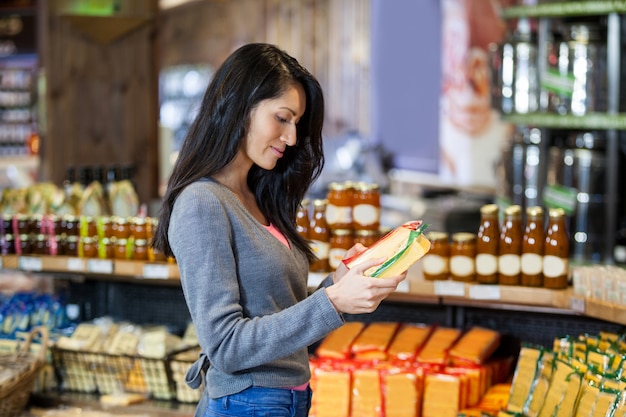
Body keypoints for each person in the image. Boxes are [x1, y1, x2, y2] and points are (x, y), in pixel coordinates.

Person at [151, 43, 407, 417]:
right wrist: (332, 302)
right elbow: (226, 345)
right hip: (245, 403)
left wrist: (335, 287)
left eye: (296, 124)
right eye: (282, 118)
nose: (290, 137)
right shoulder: (202, 203)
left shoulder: (256, 196)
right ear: (241, 107)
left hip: (284, 400)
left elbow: (278, 316)